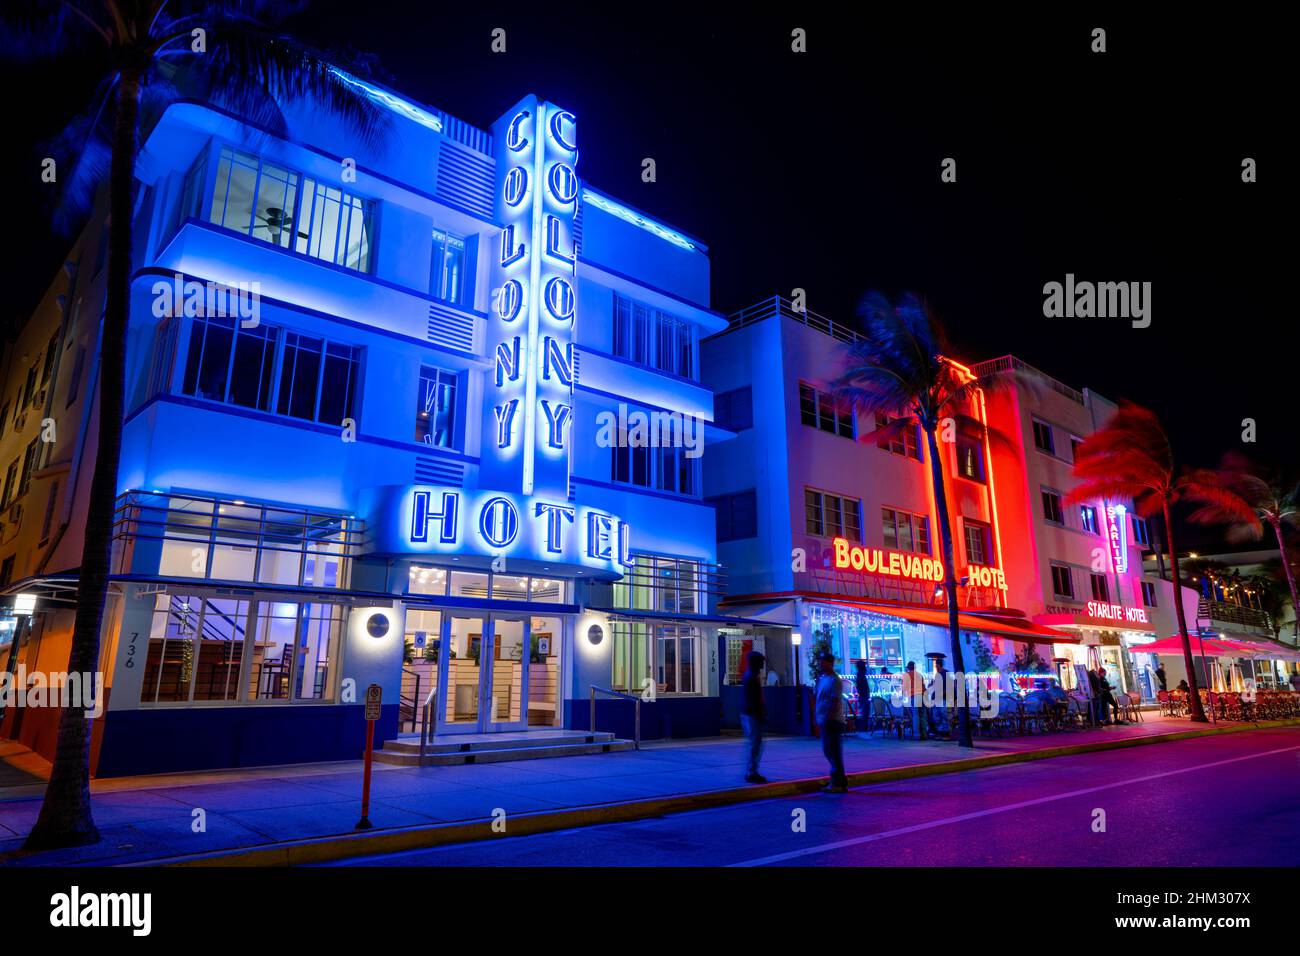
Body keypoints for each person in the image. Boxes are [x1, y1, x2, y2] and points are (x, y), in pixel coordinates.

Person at [814, 650, 849, 793]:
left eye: (823, 661)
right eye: (819, 661)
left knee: (833, 752)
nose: (820, 664)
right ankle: (837, 779)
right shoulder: (823, 679)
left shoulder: (835, 680)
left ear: (830, 663)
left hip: (833, 721)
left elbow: (834, 701)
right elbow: (818, 698)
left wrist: (827, 718)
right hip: (824, 720)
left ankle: (838, 783)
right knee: (828, 751)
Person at [740, 651, 767, 783]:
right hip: (752, 715)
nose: (763, 664)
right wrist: (759, 714)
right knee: (754, 744)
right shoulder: (752, 677)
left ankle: (752, 770)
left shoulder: (750, 676)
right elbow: (754, 699)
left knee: (754, 743)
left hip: (750, 714)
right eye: (761, 661)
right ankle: (752, 771)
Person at [901, 660, 927, 740]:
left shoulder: (906, 675)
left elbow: (904, 688)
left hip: (914, 696)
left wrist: (903, 695)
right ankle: (924, 734)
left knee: (915, 716)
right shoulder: (919, 675)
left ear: (908, 668)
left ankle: (917, 735)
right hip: (922, 696)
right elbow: (924, 687)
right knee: (922, 715)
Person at [853, 660, 871, 733]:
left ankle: (863, 728)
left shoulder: (859, 675)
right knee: (865, 712)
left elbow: (858, 686)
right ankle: (864, 729)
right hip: (864, 696)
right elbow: (862, 686)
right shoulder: (861, 675)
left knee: (864, 712)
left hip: (863, 696)